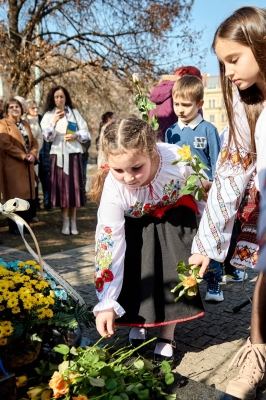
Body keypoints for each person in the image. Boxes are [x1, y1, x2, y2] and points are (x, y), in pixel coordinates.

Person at [188, 7, 266, 400]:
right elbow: (230, 175)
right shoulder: (243, 102)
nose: (229, 71)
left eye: (234, 58)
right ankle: (258, 356)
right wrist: (206, 245)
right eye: (224, 63)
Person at [89, 118, 205, 361]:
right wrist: (107, 302)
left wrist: (207, 243)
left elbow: (202, 192)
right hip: (134, 224)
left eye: (136, 168)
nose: (129, 178)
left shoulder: (176, 159)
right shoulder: (114, 188)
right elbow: (108, 241)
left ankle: (166, 332)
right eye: (118, 170)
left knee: (171, 272)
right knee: (136, 271)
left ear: (152, 152)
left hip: (174, 219)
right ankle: (137, 321)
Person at [165, 75, 223, 302]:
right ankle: (188, 281)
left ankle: (214, 282)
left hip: (204, 192)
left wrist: (216, 188)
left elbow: (217, 161)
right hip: (181, 193)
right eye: (176, 103)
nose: (180, 109)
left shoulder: (208, 129)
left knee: (208, 237)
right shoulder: (171, 132)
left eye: (186, 104)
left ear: (199, 104)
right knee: (184, 236)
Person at [41, 86, 91, 235]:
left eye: (61, 96)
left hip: (73, 153)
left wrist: (76, 136)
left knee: (73, 188)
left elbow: (86, 132)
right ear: (52, 98)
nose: (59, 99)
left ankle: (74, 221)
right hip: (58, 153)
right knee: (63, 189)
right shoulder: (49, 115)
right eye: (56, 97)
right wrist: (54, 121)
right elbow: (47, 136)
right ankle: (65, 221)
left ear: (66, 98)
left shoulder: (74, 113)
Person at [0, 98, 38, 234]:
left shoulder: (25, 124)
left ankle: (25, 224)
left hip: (27, 165)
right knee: (15, 196)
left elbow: (34, 143)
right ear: (7, 110)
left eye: (17, 106)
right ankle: (14, 226)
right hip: (13, 165)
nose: (14, 109)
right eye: (11, 107)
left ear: (21, 109)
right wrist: (23, 155)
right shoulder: (3, 124)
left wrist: (32, 154)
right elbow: (5, 144)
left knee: (27, 196)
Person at [149, 66, 202, 142]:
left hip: (155, 148)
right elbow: (196, 133)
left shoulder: (154, 96)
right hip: (179, 150)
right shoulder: (188, 97)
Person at [26, 99, 44, 219]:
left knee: (34, 183)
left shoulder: (38, 120)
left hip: (34, 156)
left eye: (37, 108)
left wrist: (34, 153)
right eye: (33, 108)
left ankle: (33, 212)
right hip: (23, 157)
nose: (36, 110)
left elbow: (39, 139)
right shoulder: (24, 121)